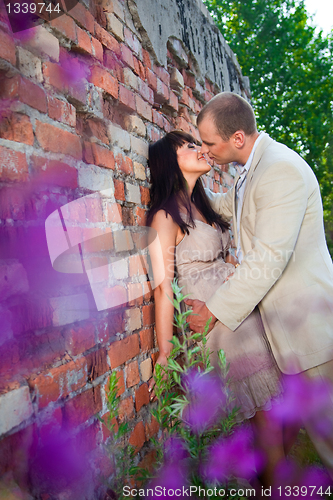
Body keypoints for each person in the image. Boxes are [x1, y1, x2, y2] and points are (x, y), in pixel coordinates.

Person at [187, 91, 333, 482]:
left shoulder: (279, 169)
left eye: (208, 143)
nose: (204, 150)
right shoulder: (251, 170)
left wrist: (213, 311)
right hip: (286, 333)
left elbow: (267, 258)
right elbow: (232, 209)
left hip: (311, 333)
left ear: (237, 138)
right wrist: (190, 180)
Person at [146, 130, 284, 485]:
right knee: (251, 424)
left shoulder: (203, 205)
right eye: (189, 146)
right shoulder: (166, 216)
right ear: (170, 163)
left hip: (239, 314)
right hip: (213, 324)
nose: (200, 149)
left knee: (267, 421)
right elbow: (163, 288)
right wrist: (164, 351)